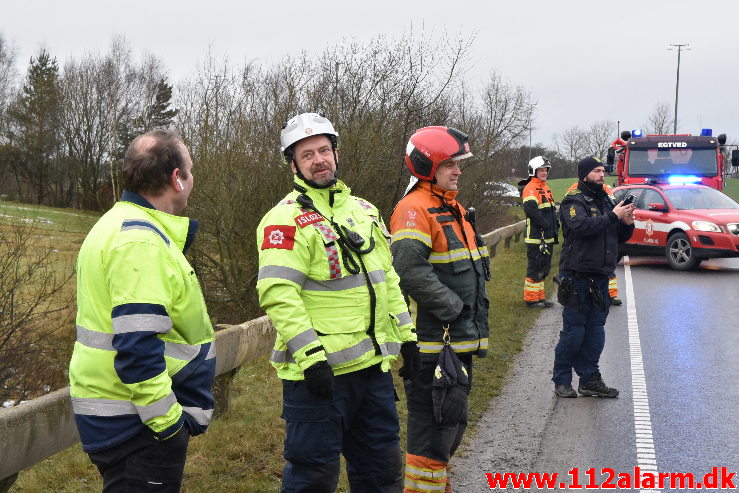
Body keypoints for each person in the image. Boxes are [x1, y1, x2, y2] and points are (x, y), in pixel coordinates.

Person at [256, 112, 419, 492]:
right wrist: (312, 360)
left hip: (372, 372)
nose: (319, 159)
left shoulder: (364, 210)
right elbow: (278, 295)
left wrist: (407, 337)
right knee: (313, 478)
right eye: (308, 153)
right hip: (320, 378)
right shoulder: (284, 220)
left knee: (383, 472)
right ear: (293, 163)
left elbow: (387, 279)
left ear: (336, 153)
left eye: (324, 150)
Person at [69, 130, 216, 492]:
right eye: (190, 170)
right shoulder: (140, 241)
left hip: (123, 416)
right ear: (176, 179)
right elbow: (137, 346)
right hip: (138, 424)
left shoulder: (116, 224)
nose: (192, 178)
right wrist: (168, 426)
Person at [390, 126, 490, 492]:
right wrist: (453, 307)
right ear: (426, 166)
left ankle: (437, 484)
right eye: (449, 163)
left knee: (452, 423)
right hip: (433, 346)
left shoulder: (451, 205)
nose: (458, 171)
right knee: (433, 431)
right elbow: (409, 270)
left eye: (457, 163)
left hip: (457, 344)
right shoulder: (413, 210)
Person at [553, 156, 634, 398]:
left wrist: (626, 223)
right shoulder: (572, 201)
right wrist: (613, 217)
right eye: (597, 171)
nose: (602, 175)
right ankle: (562, 380)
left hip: (600, 276)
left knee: (595, 332)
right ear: (585, 174)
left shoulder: (607, 200)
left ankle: (589, 379)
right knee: (574, 332)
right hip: (577, 277)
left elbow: (617, 235)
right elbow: (582, 228)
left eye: (603, 170)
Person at [519, 156, 558, 308]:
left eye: (546, 170)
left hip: (547, 237)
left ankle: (540, 299)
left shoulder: (546, 188)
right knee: (535, 269)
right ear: (533, 171)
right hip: (536, 237)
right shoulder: (530, 188)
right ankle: (531, 300)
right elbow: (531, 210)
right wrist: (546, 224)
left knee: (544, 269)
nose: (544, 173)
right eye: (541, 170)